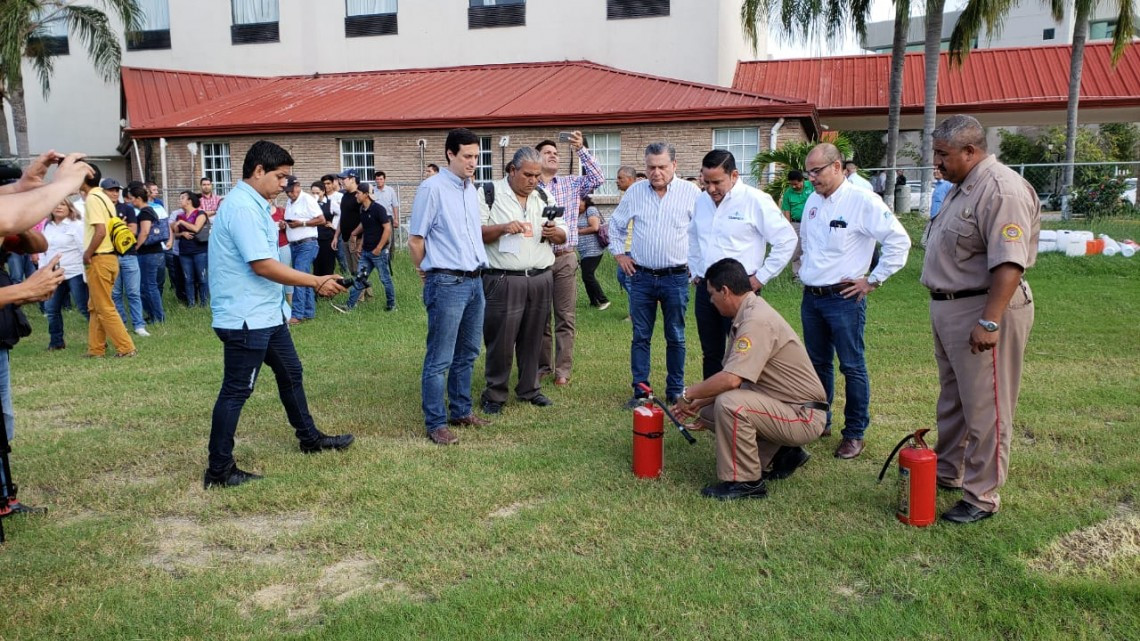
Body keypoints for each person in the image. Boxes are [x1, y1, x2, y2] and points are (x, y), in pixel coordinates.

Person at [205, 140, 352, 489]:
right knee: (236, 391)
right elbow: (262, 265)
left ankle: (309, 439)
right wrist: (315, 281)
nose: (285, 184)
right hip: (245, 318)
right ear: (259, 171)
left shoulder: (256, 204)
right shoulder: (243, 207)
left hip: (268, 314)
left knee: (291, 372)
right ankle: (219, 471)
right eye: (280, 177)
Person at [922, 115, 1039, 524]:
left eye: (943, 154)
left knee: (987, 405)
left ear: (970, 151)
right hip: (950, 307)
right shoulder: (962, 187)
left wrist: (990, 322)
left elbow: (1010, 263)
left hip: (983, 307)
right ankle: (949, 471)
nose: (937, 163)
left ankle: (982, 495)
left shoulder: (1002, 189)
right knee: (954, 399)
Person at [672, 258, 828, 500]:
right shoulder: (748, 314)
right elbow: (736, 377)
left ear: (725, 291)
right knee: (709, 412)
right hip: (785, 406)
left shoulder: (756, 321)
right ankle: (783, 453)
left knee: (731, 405)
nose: (711, 301)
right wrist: (698, 403)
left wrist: (688, 394)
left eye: (712, 295)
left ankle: (745, 482)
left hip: (803, 415)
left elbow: (731, 380)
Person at [799, 143, 911, 459]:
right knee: (817, 364)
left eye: (816, 171)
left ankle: (854, 433)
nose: (811, 178)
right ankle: (820, 421)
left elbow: (899, 241)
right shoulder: (812, 201)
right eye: (808, 173)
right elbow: (807, 242)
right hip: (812, 297)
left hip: (843, 299)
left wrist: (873, 279)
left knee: (851, 365)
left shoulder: (863, 201)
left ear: (837, 167)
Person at [409, 128, 491, 445]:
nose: (473, 162)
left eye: (476, 156)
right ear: (450, 154)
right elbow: (416, 240)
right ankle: (436, 423)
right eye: (467, 156)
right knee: (440, 357)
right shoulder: (432, 189)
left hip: (474, 281)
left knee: (468, 352)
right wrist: (425, 271)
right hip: (446, 281)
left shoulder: (470, 189)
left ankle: (461, 410)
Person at [608, 142, 701, 407]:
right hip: (642, 277)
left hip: (676, 278)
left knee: (676, 335)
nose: (656, 172)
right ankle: (641, 392)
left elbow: (703, 232)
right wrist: (619, 255)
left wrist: (697, 264)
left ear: (674, 165)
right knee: (641, 336)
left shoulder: (691, 193)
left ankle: (675, 390)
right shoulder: (635, 192)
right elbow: (615, 226)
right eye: (651, 167)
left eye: (662, 166)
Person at [691, 149, 796, 380]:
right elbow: (694, 237)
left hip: (740, 291)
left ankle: (741, 399)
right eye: (706, 182)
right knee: (711, 352)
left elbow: (787, 239)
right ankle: (711, 400)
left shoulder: (756, 200)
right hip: (707, 289)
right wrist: (696, 271)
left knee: (742, 354)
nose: (711, 189)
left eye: (717, 182)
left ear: (734, 175)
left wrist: (760, 278)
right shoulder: (702, 201)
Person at [478, 148, 566, 414]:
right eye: (528, 175)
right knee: (502, 339)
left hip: (540, 277)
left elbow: (563, 234)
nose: (533, 180)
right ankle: (495, 393)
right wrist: (503, 228)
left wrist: (554, 233)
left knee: (534, 337)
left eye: (537, 176)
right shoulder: (489, 193)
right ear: (512, 170)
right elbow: (476, 232)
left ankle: (529, 388)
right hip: (504, 278)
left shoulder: (543, 195)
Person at [535, 132, 604, 386]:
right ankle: (543, 367)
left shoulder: (571, 184)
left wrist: (581, 149)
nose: (553, 155)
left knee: (565, 316)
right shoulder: (529, 186)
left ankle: (562, 371)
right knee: (541, 317)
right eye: (547, 153)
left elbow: (598, 178)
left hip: (564, 257)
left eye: (556, 153)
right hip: (537, 258)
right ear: (536, 158)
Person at [80, 163, 136, 358]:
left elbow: (100, 231)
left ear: (85, 178)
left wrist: (87, 253)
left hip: (99, 258)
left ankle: (126, 347)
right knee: (95, 305)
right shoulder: (105, 198)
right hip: (110, 258)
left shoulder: (93, 199)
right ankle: (96, 349)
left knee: (104, 306)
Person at [340, 183, 396, 311]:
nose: (356, 196)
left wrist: (379, 248)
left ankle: (391, 305)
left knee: (385, 279)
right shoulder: (363, 210)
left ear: (366, 195)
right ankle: (350, 305)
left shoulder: (378, 209)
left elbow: (387, 229)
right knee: (359, 278)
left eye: (358, 193)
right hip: (366, 252)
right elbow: (366, 227)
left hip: (379, 253)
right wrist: (358, 240)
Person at [42, 200, 89, 350]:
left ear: (69, 208)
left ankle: (99, 340)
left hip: (75, 272)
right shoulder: (47, 226)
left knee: (84, 308)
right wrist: (43, 271)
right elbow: (44, 251)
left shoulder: (77, 225)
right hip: (54, 274)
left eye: (62, 204)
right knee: (51, 309)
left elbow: (84, 250)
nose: (58, 207)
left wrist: (86, 274)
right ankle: (56, 342)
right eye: (55, 204)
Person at [105, 179, 148, 337]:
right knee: (115, 294)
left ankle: (139, 325)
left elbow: (133, 231)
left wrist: (114, 227)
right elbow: (100, 233)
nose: (115, 193)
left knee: (133, 293)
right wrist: (121, 227)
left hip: (129, 255)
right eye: (111, 190)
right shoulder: (101, 210)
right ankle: (121, 324)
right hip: (110, 256)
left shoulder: (127, 209)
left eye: (117, 190)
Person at [282, 175, 325, 323]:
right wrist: (285, 224)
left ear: (298, 186)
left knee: (298, 278)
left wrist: (301, 224)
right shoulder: (289, 202)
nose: (289, 193)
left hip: (307, 244)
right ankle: (308, 312)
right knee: (304, 278)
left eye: (291, 190)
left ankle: (297, 314)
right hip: (294, 244)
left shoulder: (307, 199)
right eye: (287, 191)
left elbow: (321, 219)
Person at [127, 184, 165, 325]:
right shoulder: (148, 210)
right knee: (147, 286)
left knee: (150, 286)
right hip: (153, 253)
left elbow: (144, 231)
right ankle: (153, 315)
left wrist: (136, 247)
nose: (130, 201)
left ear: (138, 198)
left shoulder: (145, 212)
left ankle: (158, 317)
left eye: (132, 198)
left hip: (149, 253)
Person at [171, 191, 210, 307]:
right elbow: (175, 234)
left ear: (189, 201)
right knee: (188, 279)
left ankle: (204, 303)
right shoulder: (179, 216)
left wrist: (182, 222)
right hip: (184, 251)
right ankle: (191, 303)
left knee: (202, 278)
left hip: (200, 251)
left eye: (182, 198)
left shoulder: (200, 214)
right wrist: (181, 233)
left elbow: (196, 228)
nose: (179, 200)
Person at [576, 196, 609, 309]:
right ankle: (593, 302)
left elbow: (595, 227)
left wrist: (578, 232)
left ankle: (603, 300)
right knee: (586, 277)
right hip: (583, 250)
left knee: (588, 275)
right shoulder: (578, 213)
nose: (576, 204)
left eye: (578, 201)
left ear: (585, 201)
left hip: (593, 249)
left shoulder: (590, 210)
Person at [614, 165, 639, 315]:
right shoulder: (626, 196)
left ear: (630, 179)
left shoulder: (636, 196)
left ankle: (634, 314)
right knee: (622, 277)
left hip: (632, 247)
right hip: (624, 246)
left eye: (620, 178)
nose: (617, 181)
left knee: (630, 281)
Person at [780, 169, 814, 277]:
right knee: (797, 249)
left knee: (812, 247)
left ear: (802, 180)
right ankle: (797, 274)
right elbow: (786, 210)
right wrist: (788, 227)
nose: (793, 186)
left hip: (812, 222)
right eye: (791, 184)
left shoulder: (811, 186)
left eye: (796, 184)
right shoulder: (788, 193)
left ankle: (811, 272)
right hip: (796, 223)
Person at [334, 170, 363, 280]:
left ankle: (362, 292)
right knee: (352, 271)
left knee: (359, 271)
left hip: (357, 239)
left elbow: (365, 220)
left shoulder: (360, 196)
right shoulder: (344, 196)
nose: (341, 182)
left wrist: (355, 234)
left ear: (352, 179)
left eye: (344, 179)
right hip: (345, 239)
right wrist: (336, 236)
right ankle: (363, 290)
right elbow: (343, 217)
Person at [313, 178, 339, 277]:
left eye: (317, 193)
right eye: (313, 193)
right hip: (315, 238)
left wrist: (334, 225)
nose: (315, 195)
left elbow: (341, 214)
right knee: (317, 265)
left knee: (328, 264)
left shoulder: (331, 203)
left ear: (323, 191)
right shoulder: (311, 204)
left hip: (327, 238)